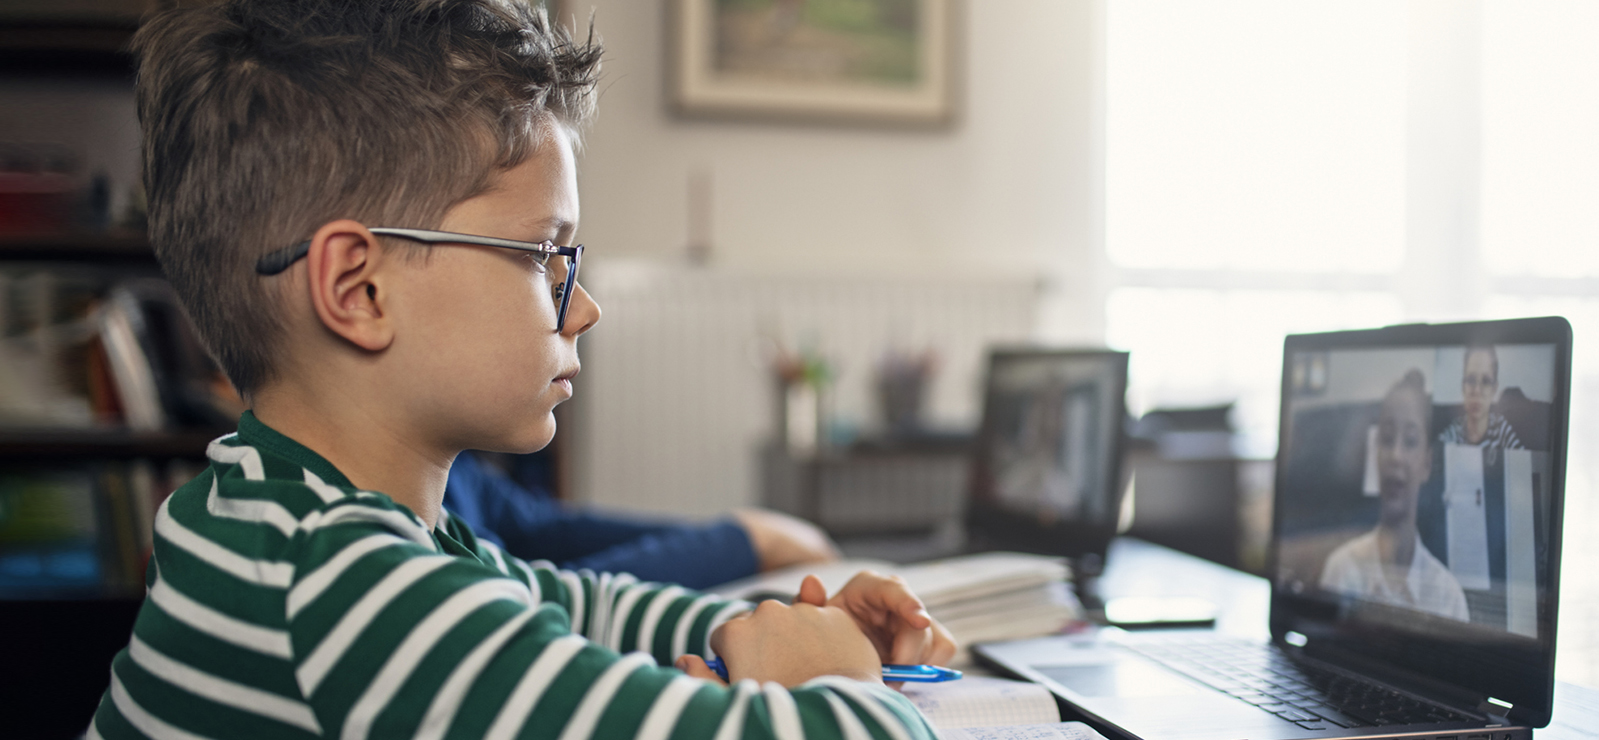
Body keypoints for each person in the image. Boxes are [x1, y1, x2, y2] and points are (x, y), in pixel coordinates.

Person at [89, 2, 952, 738]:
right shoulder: (345, 587)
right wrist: (839, 679)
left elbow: (577, 607)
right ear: (359, 289)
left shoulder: (291, 512)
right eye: (545, 255)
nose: (583, 307)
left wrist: (774, 629)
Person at [446, 452, 839, 590]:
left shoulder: (456, 468)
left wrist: (734, 534)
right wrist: (742, 542)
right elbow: (518, 599)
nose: (585, 312)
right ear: (379, 298)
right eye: (535, 261)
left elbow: (537, 527)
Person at [1319, 369, 1470, 621]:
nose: (1395, 456)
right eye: (1387, 439)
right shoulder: (1341, 570)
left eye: (1410, 441)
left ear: (1427, 463)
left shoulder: (1449, 598)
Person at [1438, 345, 1523, 449]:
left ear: (1494, 389)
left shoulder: (1502, 430)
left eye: (1486, 381)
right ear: (1463, 386)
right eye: (1471, 380)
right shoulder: (1452, 434)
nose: (1477, 391)